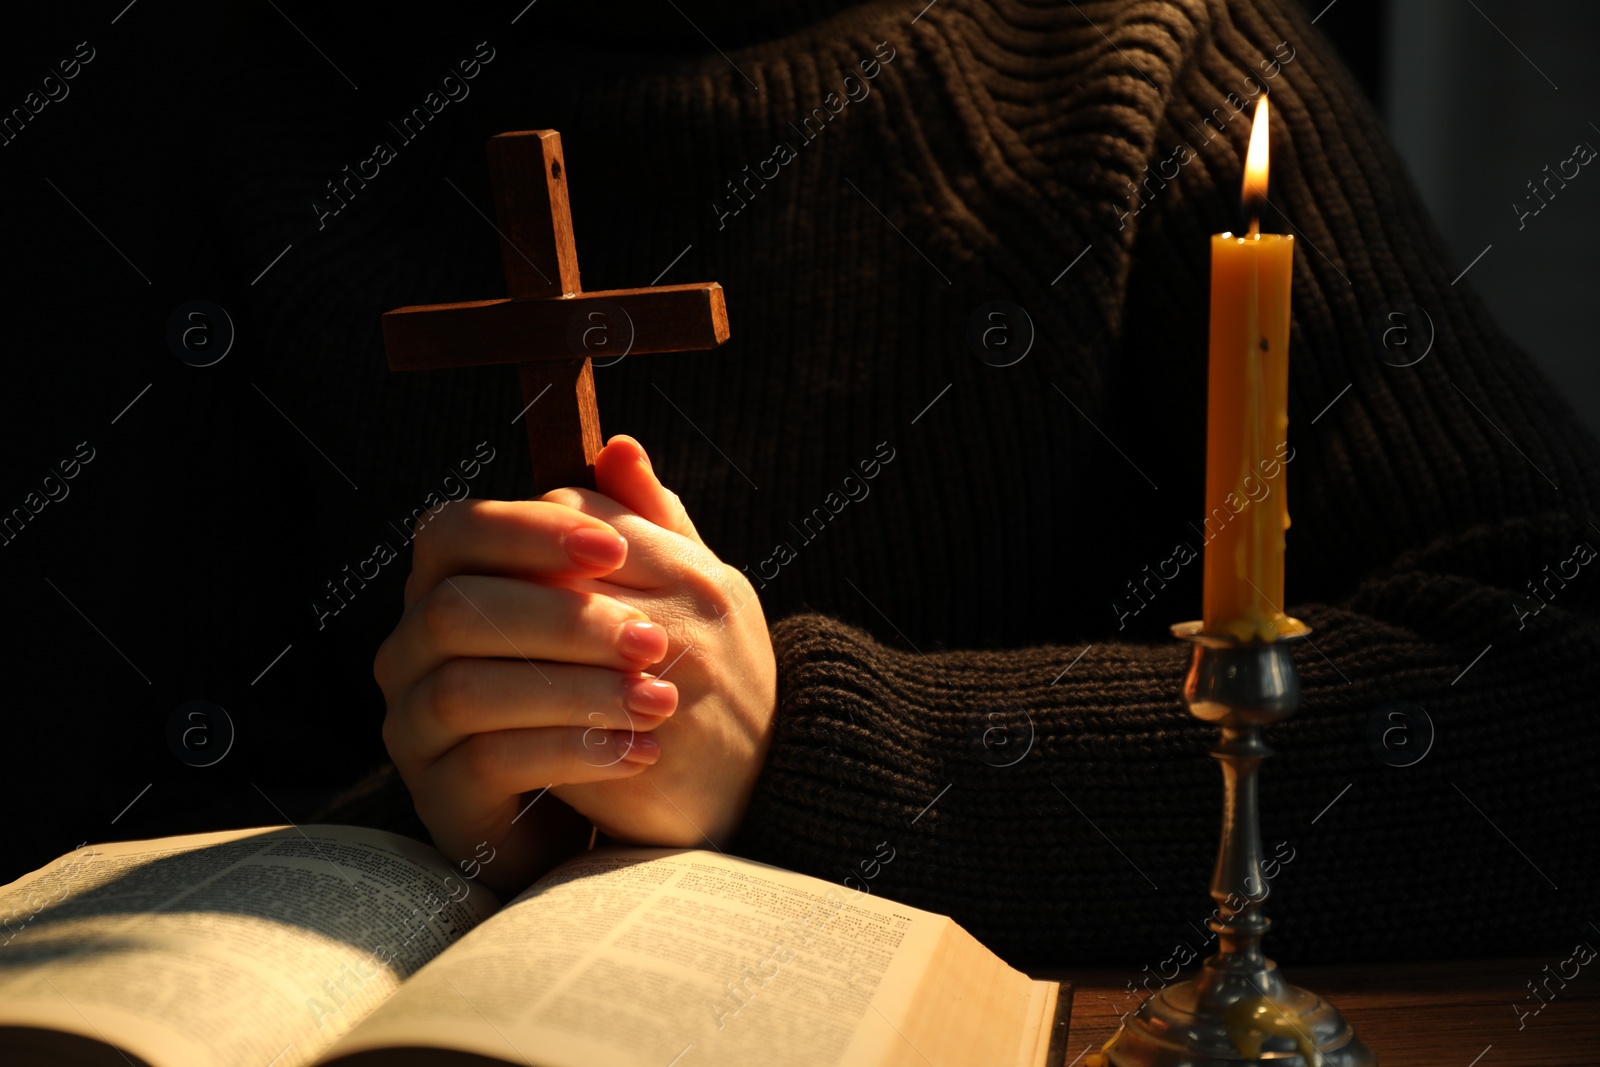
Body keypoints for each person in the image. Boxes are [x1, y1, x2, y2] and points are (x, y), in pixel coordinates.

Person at [245, 0, 1600, 968]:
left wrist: (796, 751)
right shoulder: (246, 95)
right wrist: (481, 774)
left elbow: (1564, 691)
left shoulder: (1156, 59)